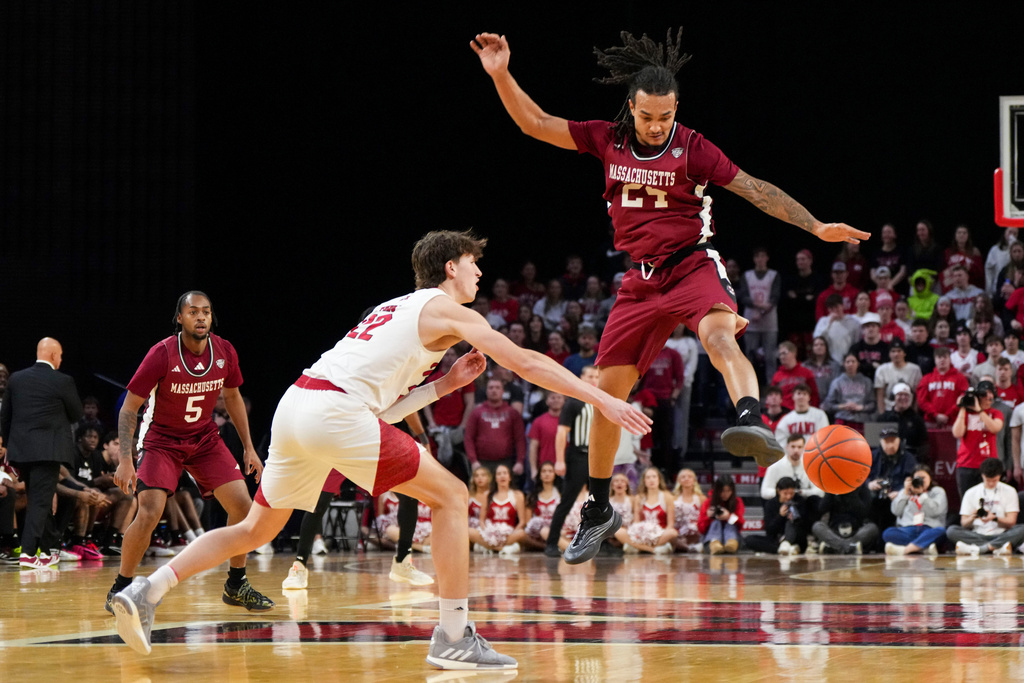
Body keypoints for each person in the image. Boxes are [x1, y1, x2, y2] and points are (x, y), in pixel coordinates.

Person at [110, 230, 650, 669]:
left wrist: (443, 385)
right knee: (453, 495)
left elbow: (376, 410)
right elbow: (524, 361)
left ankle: (145, 591)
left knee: (255, 529)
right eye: (472, 262)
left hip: (297, 405)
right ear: (448, 269)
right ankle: (455, 635)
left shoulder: (395, 309)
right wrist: (599, 397)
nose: (480, 273)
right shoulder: (445, 310)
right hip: (331, 412)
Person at [471, 29, 867, 564]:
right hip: (639, 281)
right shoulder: (605, 138)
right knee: (605, 401)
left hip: (692, 265)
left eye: (666, 116)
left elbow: (755, 189)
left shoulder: (693, 148)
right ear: (630, 107)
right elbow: (535, 124)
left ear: (676, 108)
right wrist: (500, 74)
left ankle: (750, 417)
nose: (657, 126)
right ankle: (598, 508)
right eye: (647, 116)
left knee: (720, 336)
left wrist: (815, 226)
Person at [106, 291, 273, 614]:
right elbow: (129, 408)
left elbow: (234, 397)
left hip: (204, 438)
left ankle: (236, 583)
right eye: (193, 312)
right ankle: (122, 586)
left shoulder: (224, 351)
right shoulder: (162, 353)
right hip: (162, 440)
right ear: (179, 318)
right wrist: (126, 459)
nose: (200, 317)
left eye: (206, 312)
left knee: (243, 506)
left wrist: (250, 448)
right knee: (151, 511)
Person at [0, 338, 83, 569]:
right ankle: (28, 553)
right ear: (55, 355)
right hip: (49, 450)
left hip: (21, 451)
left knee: (39, 497)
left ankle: (47, 551)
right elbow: (76, 413)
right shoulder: (63, 380)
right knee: (39, 500)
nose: (61, 359)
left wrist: (9, 446)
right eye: (61, 355)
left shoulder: (16, 378)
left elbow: (5, 416)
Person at [544, 365, 601, 558]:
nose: (593, 379)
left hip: (596, 456)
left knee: (600, 502)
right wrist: (559, 461)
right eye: (590, 375)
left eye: (596, 376)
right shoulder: (573, 403)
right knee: (567, 500)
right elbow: (562, 432)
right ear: (582, 377)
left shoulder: (600, 401)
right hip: (577, 455)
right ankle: (551, 542)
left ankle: (600, 543)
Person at [947, 458, 1024, 557]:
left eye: (995, 480)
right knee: (951, 531)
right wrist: (971, 518)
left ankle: (979, 549)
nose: (991, 483)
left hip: (1001, 533)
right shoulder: (971, 492)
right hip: (977, 534)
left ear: (1000, 476)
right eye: (988, 480)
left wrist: (994, 518)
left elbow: (1011, 522)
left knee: (1022, 529)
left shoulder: (1010, 491)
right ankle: (998, 547)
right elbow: (964, 523)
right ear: (982, 475)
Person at [464, 378, 526, 481]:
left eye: (497, 388)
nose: (494, 390)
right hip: (481, 463)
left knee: (505, 495)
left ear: (503, 391)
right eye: (491, 388)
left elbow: (520, 439)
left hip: (506, 462)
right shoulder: (476, 413)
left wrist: (520, 461)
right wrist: (473, 461)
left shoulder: (512, 413)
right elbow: (468, 438)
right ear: (486, 391)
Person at [951, 381, 1004, 497]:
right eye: (985, 394)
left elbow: (995, 428)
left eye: (991, 393)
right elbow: (957, 433)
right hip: (966, 464)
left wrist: (979, 410)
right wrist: (963, 408)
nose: (988, 397)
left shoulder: (996, 413)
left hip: (989, 465)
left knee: (989, 500)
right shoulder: (966, 414)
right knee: (967, 501)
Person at [883, 464, 947, 556]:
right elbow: (896, 511)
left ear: (930, 478)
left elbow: (936, 511)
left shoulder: (937, 491)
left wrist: (922, 495)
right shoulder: (905, 492)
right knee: (888, 533)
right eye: (917, 478)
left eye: (923, 478)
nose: (920, 480)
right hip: (908, 529)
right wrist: (905, 493)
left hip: (929, 529)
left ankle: (905, 550)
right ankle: (922, 547)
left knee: (941, 532)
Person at [739, 247, 780, 383]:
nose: (760, 259)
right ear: (754, 259)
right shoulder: (747, 275)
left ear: (767, 258)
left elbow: (775, 297)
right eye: (758, 256)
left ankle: (771, 387)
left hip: (769, 323)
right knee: (749, 356)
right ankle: (749, 386)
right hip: (751, 322)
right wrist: (759, 306)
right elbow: (743, 296)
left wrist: (762, 311)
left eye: (763, 256)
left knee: (770, 357)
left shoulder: (773, 275)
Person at [746, 477, 809, 556]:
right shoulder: (771, 504)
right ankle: (783, 549)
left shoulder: (799, 501)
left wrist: (794, 516)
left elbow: (805, 525)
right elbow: (769, 530)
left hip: (795, 538)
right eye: (785, 493)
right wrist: (780, 516)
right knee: (750, 540)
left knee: (791, 524)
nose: (789, 497)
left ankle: (785, 546)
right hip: (776, 539)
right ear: (779, 491)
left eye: (791, 493)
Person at [810, 483, 877, 554]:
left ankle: (835, 548)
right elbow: (821, 509)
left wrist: (852, 493)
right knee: (817, 526)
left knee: (872, 528)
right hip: (834, 533)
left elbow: (864, 512)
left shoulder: (862, 488)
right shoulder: (832, 488)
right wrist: (830, 492)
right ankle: (850, 548)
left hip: (856, 532)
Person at [821, 354, 876, 431]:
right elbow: (828, 405)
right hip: (842, 419)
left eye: (853, 361)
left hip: (862, 420)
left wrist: (860, 407)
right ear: (844, 364)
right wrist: (843, 406)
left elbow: (873, 405)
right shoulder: (837, 382)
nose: (850, 364)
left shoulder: (866, 382)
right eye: (848, 362)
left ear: (858, 363)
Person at [917, 347, 969, 427]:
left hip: (954, 421)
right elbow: (922, 400)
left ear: (950, 359)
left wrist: (949, 414)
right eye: (939, 357)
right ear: (935, 360)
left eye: (945, 357)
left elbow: (963, 398)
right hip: (931, 421)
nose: (942, 360)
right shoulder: (926, 379)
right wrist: (935, 414)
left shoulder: (960, 378)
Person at [877, 383, 930, 461]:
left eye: (906, 395)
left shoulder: (917, 420)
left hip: (909, 461)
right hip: (887, 460)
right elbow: (873, 445)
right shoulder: (882, 418)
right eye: (900, 394)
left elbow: (924, 445)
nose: (903, 398)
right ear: (893, 397)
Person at [697, 475, 744, 555]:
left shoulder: (737, 502)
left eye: (728, 491)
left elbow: (740, 524)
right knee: (716, 522)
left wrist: (729, 517)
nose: (725, 494)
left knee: (730, 524)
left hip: (733, 537)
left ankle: (731, 542)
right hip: (710, 538)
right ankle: (714, 543)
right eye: (722, 491)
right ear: (717, 490)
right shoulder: (708, 502)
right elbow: (701, 529)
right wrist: (708, 517)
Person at [873, 338, 922, 414]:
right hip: (889, 410)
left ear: (904, 353)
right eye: (893, 351)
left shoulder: (915, 370)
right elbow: (880, 396)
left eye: (899, 351)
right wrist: (882, 415)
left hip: (908, 411)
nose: (896, 354)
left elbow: (918, 394)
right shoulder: (882, 369)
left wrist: (914, 413)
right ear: (889, 354)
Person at [523, 462, 561, 550]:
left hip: (555, 531)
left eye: (550, 471)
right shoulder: (532, 496)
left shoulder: (561, 495)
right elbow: (527, 522)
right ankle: (549, 547)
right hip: (536, 535)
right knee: (522, 535)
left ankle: (554, 546)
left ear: (555, 474)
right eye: (544, 471)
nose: (547, 474)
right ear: (539, 475)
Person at [812, 295, 861, 364]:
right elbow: (817, 339)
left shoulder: (853, 322)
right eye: (831, 308)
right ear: (828, 309)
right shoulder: (823, 321)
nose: (835, 310)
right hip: (828, 361)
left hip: (847, 360)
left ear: (842, 306)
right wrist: (829, 323)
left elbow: (856, 342)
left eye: (837, 307)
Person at [772, 342, 821, 410]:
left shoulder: (806, 373)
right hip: (783, 413)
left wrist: (812, 410)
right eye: (780, 354)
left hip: (803, 410)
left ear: (794, 353)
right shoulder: (777, 376)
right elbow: (772, 397)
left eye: (784, 353)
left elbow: (814, 395)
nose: (782, 357)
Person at [671, 468, 704, 552]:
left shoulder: (701, 498)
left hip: (695, 531)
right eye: (683, 477)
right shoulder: (673, 498)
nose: (687, 479)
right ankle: (687, 547)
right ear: (679, 480)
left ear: (694, 480)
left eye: (690, 477)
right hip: (679, 532)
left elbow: (704, 517)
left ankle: (691, 546)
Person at [802, 336, 843, 404]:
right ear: (812, 348)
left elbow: (837, 385)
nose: (819, 347)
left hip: (830, 403)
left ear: (826, 347)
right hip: (809, 402)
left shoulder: (835, 366)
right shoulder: (805, 366)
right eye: (816, 345)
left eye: (822, 344)